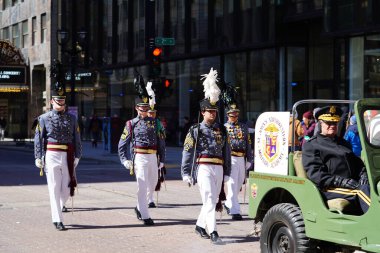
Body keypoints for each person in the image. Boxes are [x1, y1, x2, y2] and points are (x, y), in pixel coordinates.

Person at [181, 68, 231, 244]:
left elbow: (227, 152)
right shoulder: (195, 129)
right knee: (210, 198)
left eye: (215, 111)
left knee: (213, 199)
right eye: (210, 111)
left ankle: (199, 226)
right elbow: (188, 151)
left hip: (218, 167)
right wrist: (185, 173)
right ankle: (214, 232)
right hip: (203, 166)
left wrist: (227, 172)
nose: (213, 114)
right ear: (203, 112)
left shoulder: (222, 129)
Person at [302, 106, 370, 214]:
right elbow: (316, 174)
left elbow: (357, 163)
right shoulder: (312, 145)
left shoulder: (343, 143)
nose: (332, 126)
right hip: (329, 188)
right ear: (321, 123)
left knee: (372, 187)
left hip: (351, 183)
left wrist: (363, 175)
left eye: (335, 123)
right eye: (328, 123)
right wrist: (341, 181)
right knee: (361, 192)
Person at [34, 79, 82, 231]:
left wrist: (78, 155)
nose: (61, 104)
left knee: (67, 189)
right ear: (52, 101)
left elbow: (77, 137)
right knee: (54, 187)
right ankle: (58, 219)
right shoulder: (43, 118)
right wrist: (38, 156)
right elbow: (38, 140)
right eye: (58, 101)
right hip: (52, 154)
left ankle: (59, 208)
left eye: (62, 101)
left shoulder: (72, 118)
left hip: (68, 154)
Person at [118, 73, 165, 226]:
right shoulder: (131, 123)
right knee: (142, 185)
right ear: (136, 108)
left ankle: (139, 207)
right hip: (139, 156)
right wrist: (125, 159)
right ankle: (145, 215)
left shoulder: (155, 122)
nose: (144, 111)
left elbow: (161, 142)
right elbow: (122, 143)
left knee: (152, 185)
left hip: (152, 156)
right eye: (141, 108)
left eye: (146, 108)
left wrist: (162, 160)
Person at [223, 100, 253, 220]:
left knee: (239, 183)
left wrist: (249, 159)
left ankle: (228, 204)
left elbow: (248, 143)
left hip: (241, 158)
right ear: (228, 115)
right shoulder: (224, 128)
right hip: (230, 158)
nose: (234, 117)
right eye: (232, 115)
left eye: (236, 115)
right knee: (232, 184)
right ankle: (235, 211)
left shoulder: (243, 127)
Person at [146, 102, 166, 208]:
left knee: (153, 178)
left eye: (153, 113)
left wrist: (162, 159)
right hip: (142, 154)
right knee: (144, 178)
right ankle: (147, 199)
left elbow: (162, 142)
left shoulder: (158, 124)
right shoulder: (141, 122)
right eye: (150, 113)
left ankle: (150, 198)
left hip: (154, 153)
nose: (152, 115)